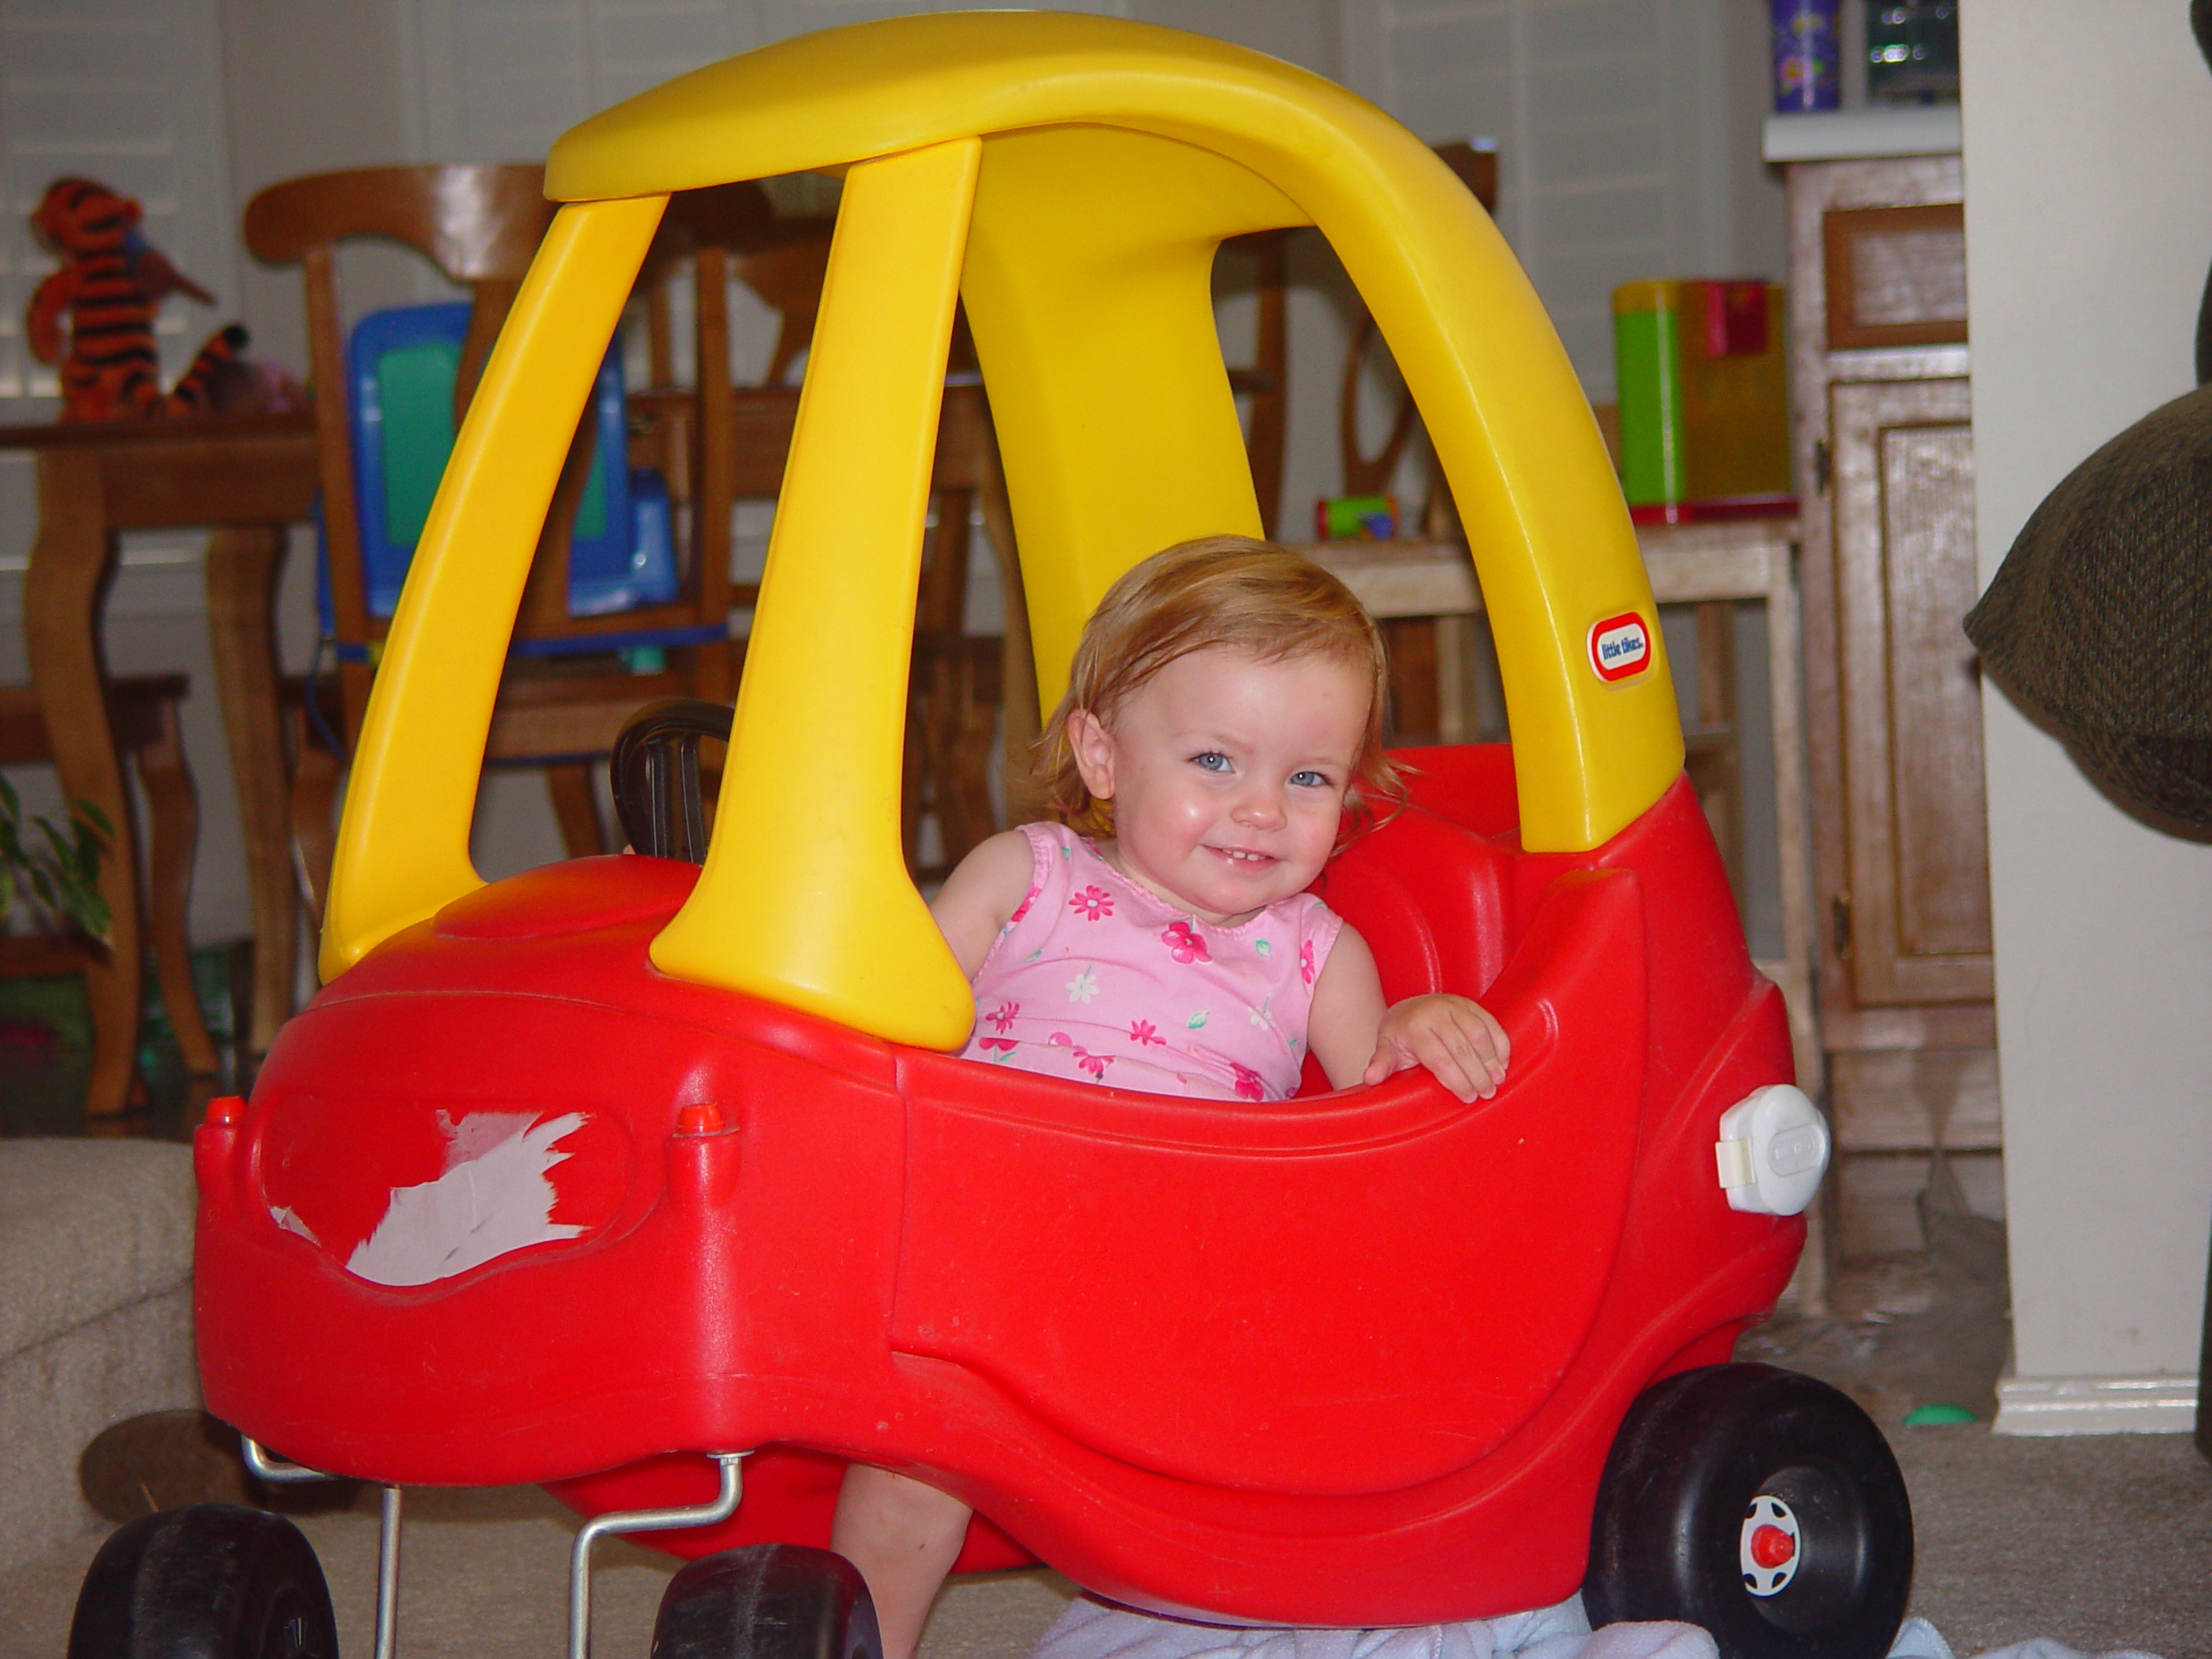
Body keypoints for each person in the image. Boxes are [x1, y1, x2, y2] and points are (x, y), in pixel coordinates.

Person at [831, 535, 1511, 1659]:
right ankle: (868, 1643)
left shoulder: (1313, 949)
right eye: (1214, 761)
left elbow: (1377, 1119)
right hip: (985, 1261)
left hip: (1186, 1287)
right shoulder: (1029, 874)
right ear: (1102, 758)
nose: (1260, 810)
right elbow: (890, 1020)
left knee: (1293, 1459)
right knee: (910, 1464)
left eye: (1307, 779)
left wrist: (1408, 1028)